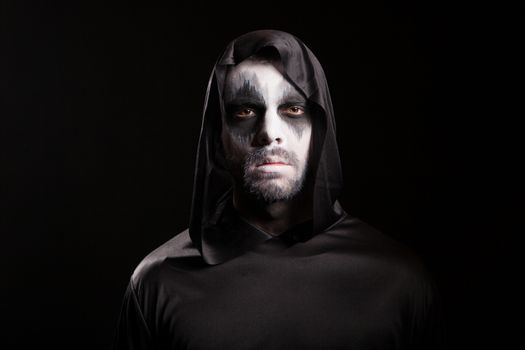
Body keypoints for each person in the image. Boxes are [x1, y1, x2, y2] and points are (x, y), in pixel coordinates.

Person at [113, 29, 446, 349]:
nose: (269, 132)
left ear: (320, 130)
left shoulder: (400, 281)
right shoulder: (157, 283)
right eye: (245, 111)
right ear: (218, 138)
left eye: (293, 109)